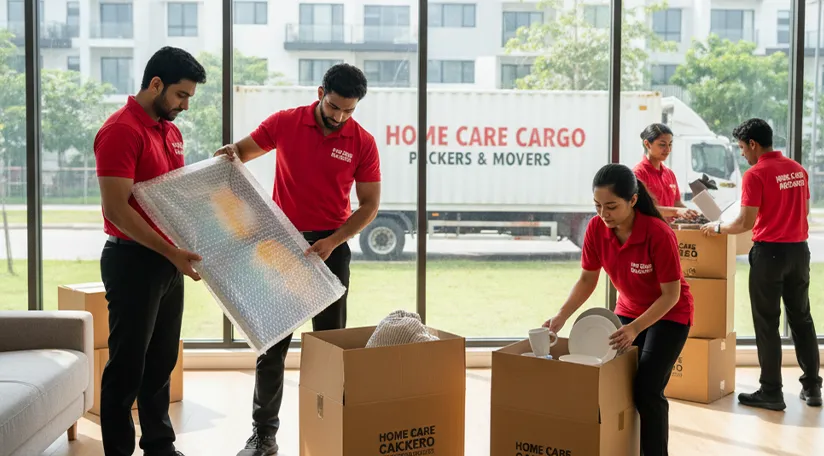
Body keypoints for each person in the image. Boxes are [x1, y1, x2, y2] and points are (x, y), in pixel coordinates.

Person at [214, 63, 381, 456]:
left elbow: (370, 205)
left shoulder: (362, 142)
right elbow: (238, 153)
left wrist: (334, 240)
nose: (340, 116)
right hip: (280, 249)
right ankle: (263, 436)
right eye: (335, 106)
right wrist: (228, 156)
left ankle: (331, 433)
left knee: (329, 349)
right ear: (320, 91)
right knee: (273, 348)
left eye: (349, 110)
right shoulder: (285, 123)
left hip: (331, 252)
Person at [94, 46, 207, 456]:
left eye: (190, 98)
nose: (185, 105)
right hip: (131, 261)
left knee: (160, 362)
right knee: (127, 367)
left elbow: (176, 197)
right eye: (181, 95)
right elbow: (117, 209)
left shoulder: (171, 131)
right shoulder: (121, 130)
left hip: (167, 262)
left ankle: (159, 445)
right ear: (155, 84)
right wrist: (170, 251)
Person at [544, 163, 693, 456]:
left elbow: (671, 295)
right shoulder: (596, 229)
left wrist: (636, 327)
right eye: (598, 205)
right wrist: (561, 316)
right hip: (627, 311)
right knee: (615, 382)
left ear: (633, 200)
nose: (603, 214)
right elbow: (588, 279)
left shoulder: (659, 234)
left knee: (648, 390)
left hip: (669, 315)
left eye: (611, 206)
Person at [701, 118, 822, 410]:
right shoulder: (798, 170)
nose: (743, 153)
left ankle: (771, 391)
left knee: (767, 323)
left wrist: (716, 228)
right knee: (802, 319)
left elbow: (745, 222)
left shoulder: (755, 174)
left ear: (753, 144)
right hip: (799, 253)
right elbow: (803, 209)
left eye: (743, 148)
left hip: (769, 255)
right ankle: (813, 387)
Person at [633, 123, 700, 220]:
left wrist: (693, 215)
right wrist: (676, 211)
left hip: (669, 231)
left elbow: (677, 203)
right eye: (662, 145)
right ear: (647, 144)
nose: (668, 149)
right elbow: (644, 208)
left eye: (670, 144)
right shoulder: (639, 173)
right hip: (650, 231)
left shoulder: (669, 174)